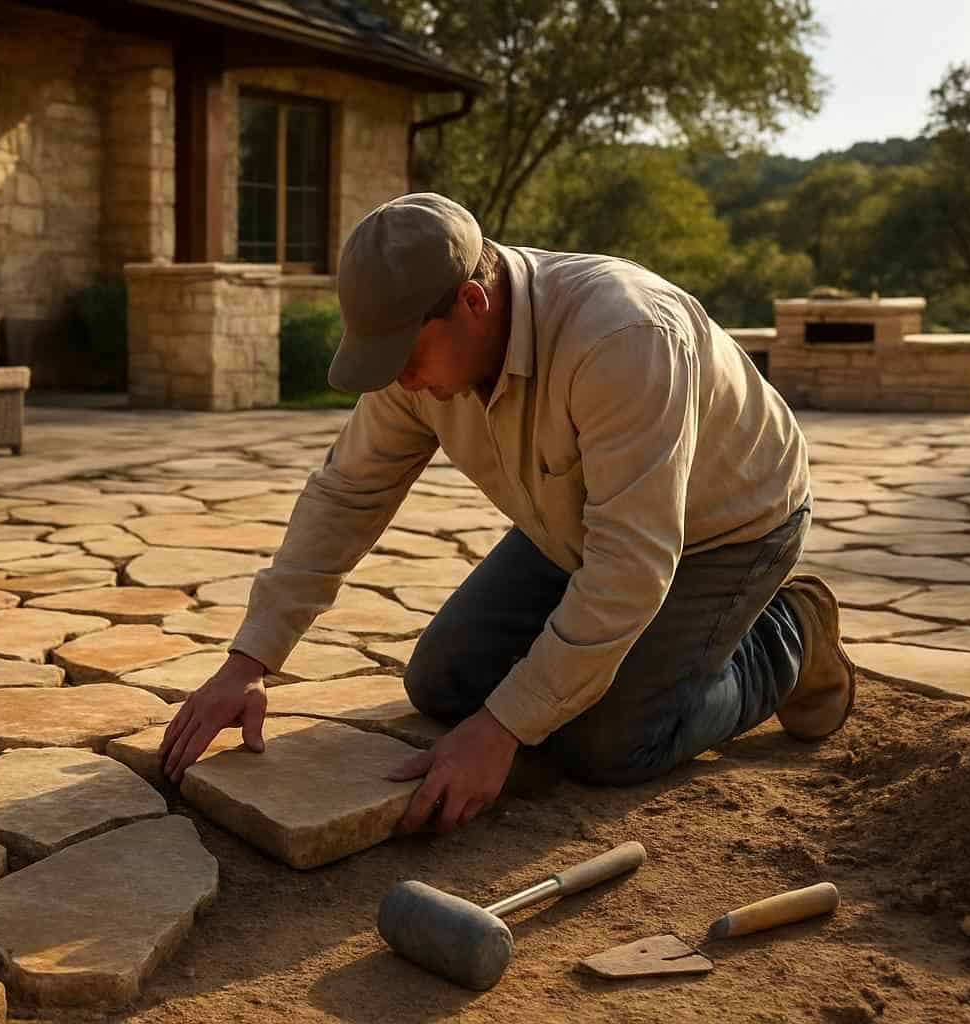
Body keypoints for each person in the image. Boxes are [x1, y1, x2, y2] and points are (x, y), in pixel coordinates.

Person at [157, 192, 856, 834]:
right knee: (443, 683)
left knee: (609, 743)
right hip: (582, 527)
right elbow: (348, 493)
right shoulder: (418, 360)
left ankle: (788, 639)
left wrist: (502, 731)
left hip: (729, 528)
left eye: (404, 354)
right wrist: (247, 662)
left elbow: (631, 568)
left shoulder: (622, 337)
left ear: (471, 302)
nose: (397, 374)